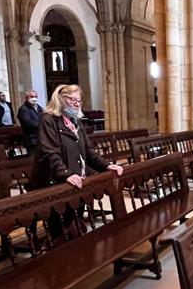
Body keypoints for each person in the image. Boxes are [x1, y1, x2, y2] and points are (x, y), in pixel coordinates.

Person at [30, 84, 123, 239]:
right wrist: (65, 174)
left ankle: (77, 256)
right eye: (72, 100)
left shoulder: (76, 122)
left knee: (74, 224)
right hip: (55, 182)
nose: (76, 104)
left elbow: (88, 151)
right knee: (60, 229)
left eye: (79, 100)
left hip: (77, 179)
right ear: (60, 99)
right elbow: (49, 152)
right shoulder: (48, 120)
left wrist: (106, 165)